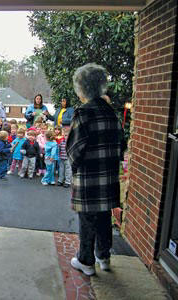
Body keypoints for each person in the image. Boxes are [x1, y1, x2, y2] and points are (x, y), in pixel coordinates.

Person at [67, 63, 126, 276]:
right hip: (109, 175)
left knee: (87, 218)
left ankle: (86, 261)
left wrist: (74, 168)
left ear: (81, 87)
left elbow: (74, 149)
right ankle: (104, 256)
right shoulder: (111, 112)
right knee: (104, 217)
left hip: (89, 177)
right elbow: (122, 144)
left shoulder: (83, 113)